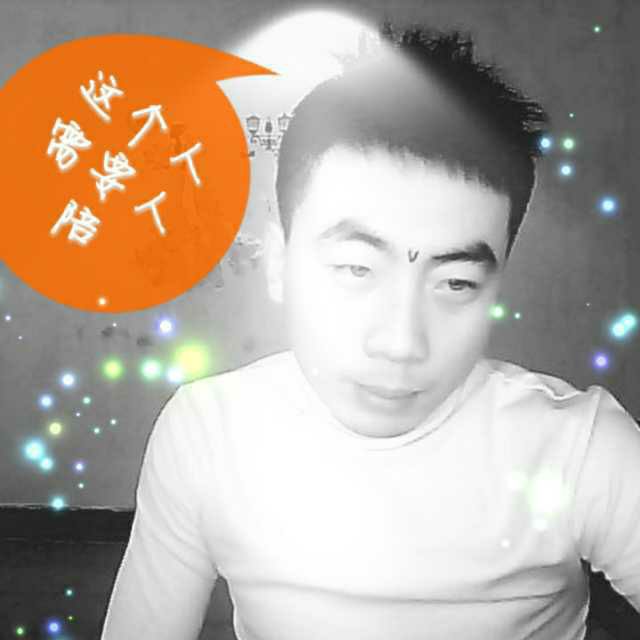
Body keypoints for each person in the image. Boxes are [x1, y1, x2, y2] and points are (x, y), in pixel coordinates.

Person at [100, 24, 640, 640]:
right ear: (277, 262)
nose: (401, 343)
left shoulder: (579, 448)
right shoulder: (207, 434)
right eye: (356, 270)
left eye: (456, 283)